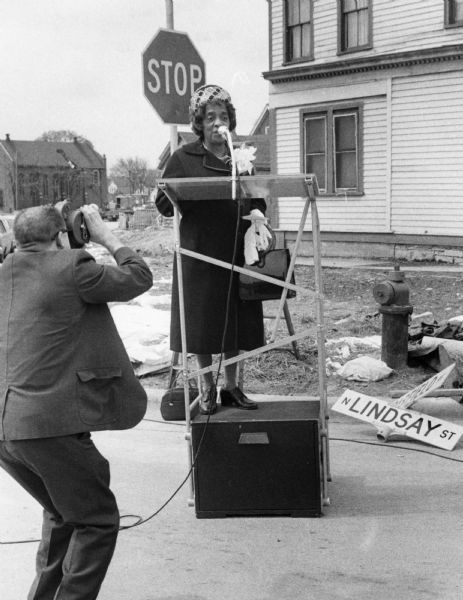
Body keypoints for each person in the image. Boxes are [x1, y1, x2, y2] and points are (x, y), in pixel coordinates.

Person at [0, 204, 153, 600]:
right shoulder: (72, 266)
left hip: (6, 431)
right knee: (98, 521)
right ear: (61, 237)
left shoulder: (3, 272)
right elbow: (138, 277)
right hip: (48, 425)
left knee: (64, 513)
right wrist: (106, 236)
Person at [156, 84, 266, 415]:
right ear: (200, 124)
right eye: (210, 117)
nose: (218, 123)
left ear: (230, 122)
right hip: (200, 253)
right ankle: (206, 387)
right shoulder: (183, 158)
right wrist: (166, 190)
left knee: (235, 320)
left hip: (235, 250)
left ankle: (231, 387)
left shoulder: (242, 158)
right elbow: (164, 204)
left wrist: (259, 213)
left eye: (223, 116)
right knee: (203, 324)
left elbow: (258, 199)